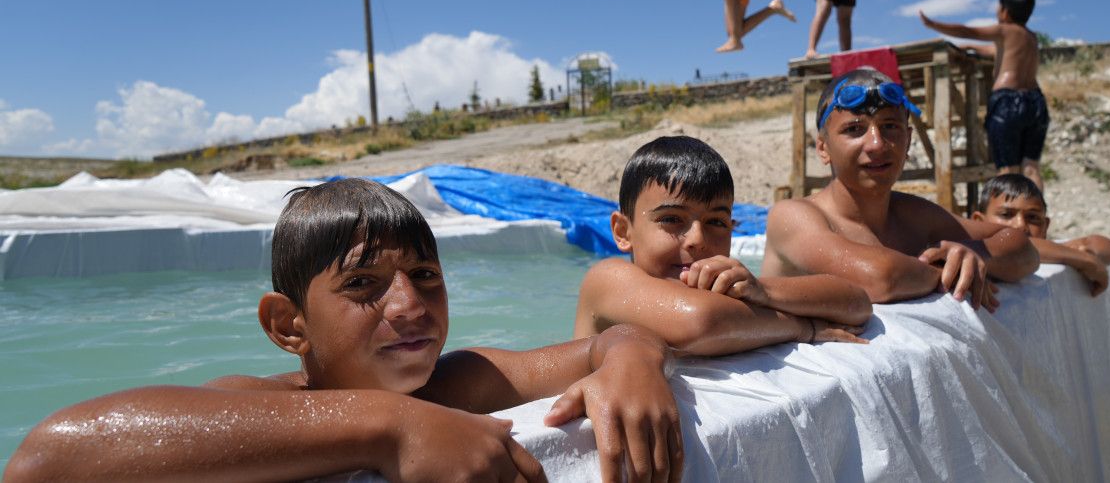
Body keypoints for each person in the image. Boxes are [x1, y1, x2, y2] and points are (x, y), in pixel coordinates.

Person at [7, 178, 682, 483]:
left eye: (425, 274)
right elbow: (47, 460)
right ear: (288, 326)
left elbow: (610, 340)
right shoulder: (258, 402)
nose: (410, 304)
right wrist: (391, 426)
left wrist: (631, 359)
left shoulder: (459, 381)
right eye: (362, 284)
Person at [762, 69, 1039, 310]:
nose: (877, 144)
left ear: (907, 140)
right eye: (854, 129)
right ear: (823, 148)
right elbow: (880, 278)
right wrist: (947, 268)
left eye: (889, 126)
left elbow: (1022, 247)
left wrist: (972, 253)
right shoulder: (793, 216)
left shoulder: (912, 215)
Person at [574, 135, 873, 356]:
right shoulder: (607, 280)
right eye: (671, 219)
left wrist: (763, 291)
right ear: (623, 231)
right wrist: (802, 327)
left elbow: (857, 302)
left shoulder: (726, 289)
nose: (697, 239)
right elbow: (701, 323)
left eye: (716, 222)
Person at [919, 0, 1050, 190]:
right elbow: (993, 50)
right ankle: (1037, 208)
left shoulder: (1005, 30)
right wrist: (970, 46)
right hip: (1035, 102)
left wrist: (934, 25)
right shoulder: (1031, 37)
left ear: (1005, 12)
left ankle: (1008, 210)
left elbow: (968, 30)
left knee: (1008, 169)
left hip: (1008, 101)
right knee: (1031, 168)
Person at [973, 173, 1110, 296]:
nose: (1020, 225)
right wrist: (1081, 258)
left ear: (1045, 226)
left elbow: (1107, 248)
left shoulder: (1056, 251)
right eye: (1006, 214)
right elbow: (1014, 248)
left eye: (1032, 217)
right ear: (978, 222)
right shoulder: (974, 249)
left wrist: (1073, 250)